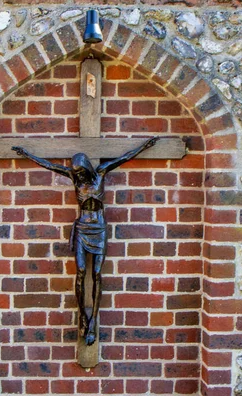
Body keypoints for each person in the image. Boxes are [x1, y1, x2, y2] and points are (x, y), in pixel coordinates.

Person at [12, 136, 159, 345]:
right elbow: (49, 165)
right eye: (76, 171)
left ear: (87, 168)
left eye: (81, 171)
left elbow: (125, 157)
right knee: (80, 271)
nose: (78, 174)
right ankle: (82, 314)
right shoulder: (74, 177)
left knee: (97, 273)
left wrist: (145, 146)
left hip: (98, 229)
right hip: (82, 228)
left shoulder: (100, 172)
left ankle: (93, 321)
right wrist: (27, 155)